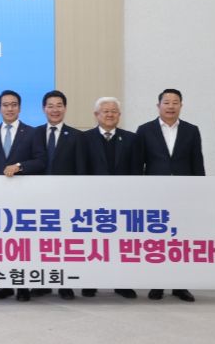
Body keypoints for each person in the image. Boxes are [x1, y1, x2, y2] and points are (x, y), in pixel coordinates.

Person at [136, 88, 204, 303]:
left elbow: (197, 163)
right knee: (158, 240)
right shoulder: (145, 130)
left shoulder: (191, 130)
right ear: (158, 106)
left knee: (181, 239)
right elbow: (138, 164)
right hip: (155, 194)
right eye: (166, 102)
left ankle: (180, 285)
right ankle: (157, 283)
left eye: (175, 102)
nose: (171, 106)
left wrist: (200, 191)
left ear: (181, 106)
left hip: (184, 194)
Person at [0, 90, 46, 301]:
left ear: (19, 108)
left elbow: (41, 161)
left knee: (23, 243)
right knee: (1, 243)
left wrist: (19, 166)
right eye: (5, 105)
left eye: (13, 105)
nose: (9, 108)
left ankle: (23, 286)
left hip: (24, 197)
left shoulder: (32, 133)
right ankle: (5, 285)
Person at [84, 97, 141, 299]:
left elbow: (136, 171)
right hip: (93, 202)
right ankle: (90, 282)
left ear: (119, 115)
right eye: (105, 111)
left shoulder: (132, 139)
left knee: (121, 244)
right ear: (96, 115)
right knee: (93, 244)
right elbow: (81, 171)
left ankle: (122, 283)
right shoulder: (84, 139)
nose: (110, 115)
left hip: (123, 202)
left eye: (114, 111)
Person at [32, 90, 86, 300]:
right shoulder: (34, 134)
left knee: (64, 242)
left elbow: (81, 170)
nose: (55, 110)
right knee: (41, 243)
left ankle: (65, 284)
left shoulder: (77, 136)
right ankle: (43, 283)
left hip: (66, 199)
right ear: (43, 109)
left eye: (59, 105)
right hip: (38, 198)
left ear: (65, 108)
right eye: (50, 106)